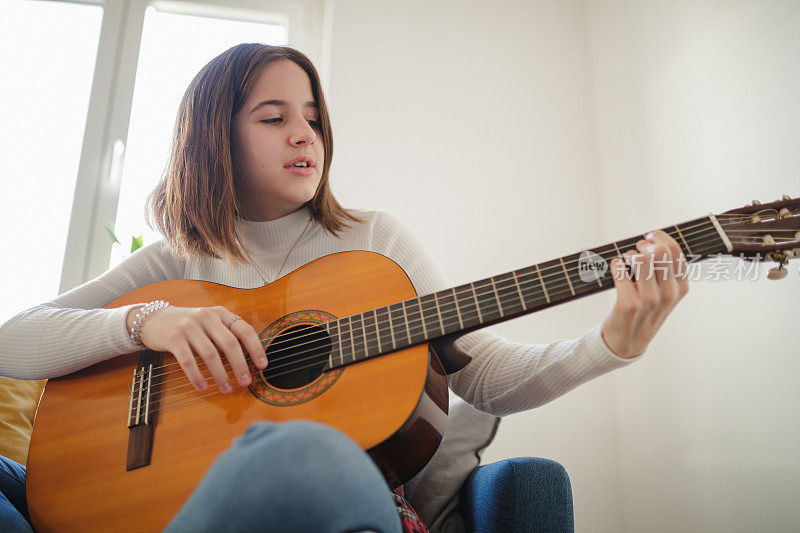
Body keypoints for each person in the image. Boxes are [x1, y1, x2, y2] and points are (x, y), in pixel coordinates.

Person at [0, 43, 688, 532]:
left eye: (313, 116)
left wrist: (610, 343)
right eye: (274, 117)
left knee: (307, 450)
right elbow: (13, 341)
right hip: (173, 504)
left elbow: (486, 374)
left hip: (331, 498)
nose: (305, 133)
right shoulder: (177, 262)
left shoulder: (373, 240)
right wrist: (148, 322)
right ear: (216, 139)